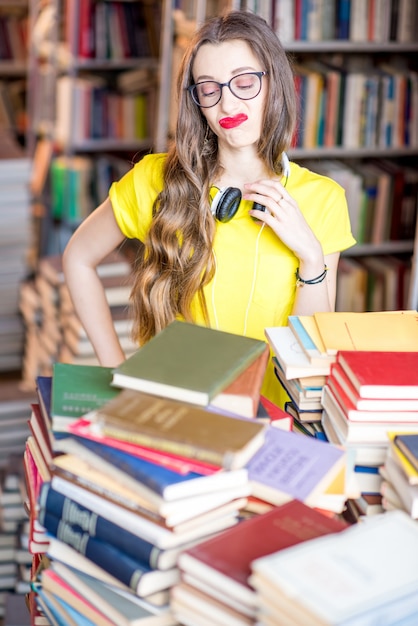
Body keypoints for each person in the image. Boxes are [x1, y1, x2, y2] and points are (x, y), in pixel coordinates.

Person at [63, 10, 356, 406]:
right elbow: (77, 258)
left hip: (271, 420)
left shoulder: (323, 199)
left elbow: (310, 353)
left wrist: (310, 255)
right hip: (169, 410)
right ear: (196, 101)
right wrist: (117, 374)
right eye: (209, 88)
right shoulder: (155, 180)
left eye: (244, 82)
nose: (227, 103)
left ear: (275, 84)